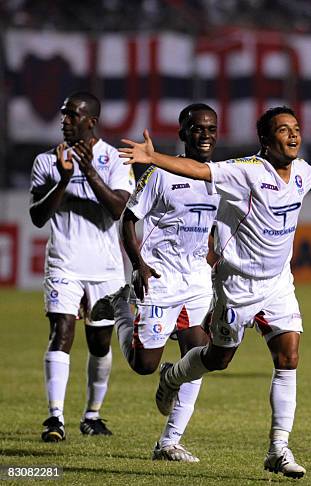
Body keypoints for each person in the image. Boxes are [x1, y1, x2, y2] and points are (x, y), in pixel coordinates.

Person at [117, 106, 311, 479]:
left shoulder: (302, 172)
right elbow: (199, 170)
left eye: (296, 128)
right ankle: (172, 377)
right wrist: (154, 158)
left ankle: (278, 448)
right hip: (236, 286)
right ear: (266, 139)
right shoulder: (244, 170)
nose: (293, 135)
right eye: (283, 130)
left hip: (278, 284)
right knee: (216, 360)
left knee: (289, 355)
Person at [91, 103, 219, 462]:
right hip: (159, 277)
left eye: (211, 129)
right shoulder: (160, 173)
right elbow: (128, 220)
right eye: (197, 128)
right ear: (183, 133)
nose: (205, 135)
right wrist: (139, 264)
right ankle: (119, 307)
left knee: (200, 358)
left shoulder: (219, 176)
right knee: (144, 366)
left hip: (196, 281)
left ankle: (169, 442)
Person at [29, 91, 134, 442]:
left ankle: (92, 415)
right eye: (64, 115)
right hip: (64, 263)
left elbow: (119, 208)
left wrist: (87, 171)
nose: (65, 121)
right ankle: (55, 418)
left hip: (105, 268)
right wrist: (62, 180)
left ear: (91, 121)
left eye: (72, 115)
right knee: (61, 332)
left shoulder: (115, 159)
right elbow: (37, 215)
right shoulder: (47, 161)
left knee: (100, 342)